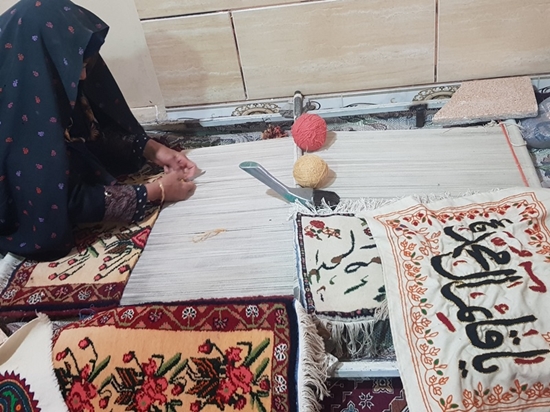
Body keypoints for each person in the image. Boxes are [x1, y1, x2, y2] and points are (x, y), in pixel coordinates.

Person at [0, 0, 197, 261]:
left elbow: (87, 137)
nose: (83, 76)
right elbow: (52, 201)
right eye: (77, 66)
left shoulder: (44, 84)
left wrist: (152, 150)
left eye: (85, 64)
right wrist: (155, 191)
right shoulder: (18, 112)